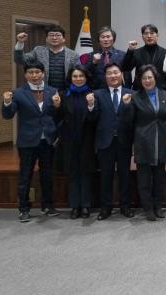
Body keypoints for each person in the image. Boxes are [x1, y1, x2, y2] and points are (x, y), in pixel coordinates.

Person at [1, 61, 62, 222]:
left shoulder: (52, 91)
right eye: (31, 72)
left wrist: (57, 107)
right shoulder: (18, 93)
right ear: (25, 75)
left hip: (48, 140)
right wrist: (7, 102)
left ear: (43, 73)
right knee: (25, 175)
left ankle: (47, 206)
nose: (34, 75)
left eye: (37, 72)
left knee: (47, 175)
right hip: (28, 141)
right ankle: (24, 209)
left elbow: (56, 116)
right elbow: (8, 115)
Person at [121, 65, 166, 221]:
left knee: (159, 178)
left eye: (150, 77)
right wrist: (126, 106)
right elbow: (128, 121)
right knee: (144, 179)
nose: (147, 80)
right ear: (140, 80)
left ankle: (158, 206)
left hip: (161, 140)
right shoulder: (134, 97)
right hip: (143, 141)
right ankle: (148, 208)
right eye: (144, 78)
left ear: (155, 78)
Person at [88, 62, 134, 220]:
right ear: (105, 76)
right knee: (105, 176)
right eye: (109, 73)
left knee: (124, 175)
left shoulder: (131, 93)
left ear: (121, 74)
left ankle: (125, 206)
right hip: (105, 141)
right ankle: (105, 208)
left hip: (124, 141)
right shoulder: (97, 94)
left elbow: (133, 119)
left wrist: (127, 106)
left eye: (116, 72)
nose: (113, 76)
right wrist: (91, 105)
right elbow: (92, 119)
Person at [57, 65, 97, 219]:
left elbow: (95, 118)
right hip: (69, 141)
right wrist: (56, 106)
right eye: (75, 76)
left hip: (87, 140)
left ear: (86, 77)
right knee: (72, 174)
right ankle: (74, 206)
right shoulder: (63, 95)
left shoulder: (93, 94)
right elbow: (57, 116)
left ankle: (85, 205)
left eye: (81, 76)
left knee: (86, 173)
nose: (78, 79)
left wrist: (91, 105)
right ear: (70, 78)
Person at [14, 25, 79, 92]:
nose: (54, 38)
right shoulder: (38, 51)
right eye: (51, 35)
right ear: (46, 39)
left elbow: (78, 74)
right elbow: (20, 60)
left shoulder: (73, 55)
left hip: (66, 92)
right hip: (43, 92)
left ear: (64, 39)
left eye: (58, 35)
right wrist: (20, 43)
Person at [122, 24, 166, 93]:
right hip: (140, 91)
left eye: (152, 33)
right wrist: (130, 51)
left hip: (160, 92)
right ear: (142, 37)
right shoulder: (136, 52)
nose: (149, 36)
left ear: (157, 35)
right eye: (146, 33)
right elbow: (126, 68)